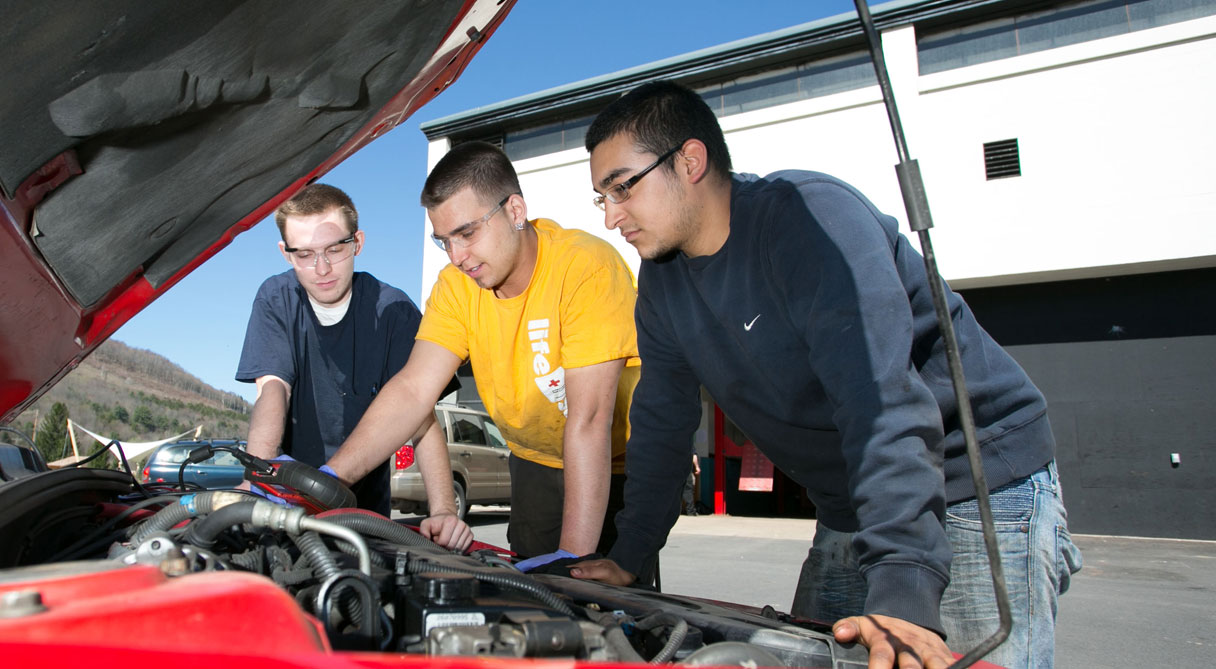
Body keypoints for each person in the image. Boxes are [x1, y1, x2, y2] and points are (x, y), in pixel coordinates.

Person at [570, 82, 1081, 669]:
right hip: (849, 505)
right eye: (600, 198)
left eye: (622, 187)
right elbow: (662, 420)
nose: (611, 216)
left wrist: (905, 591)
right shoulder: (662, 284)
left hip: (973, 482)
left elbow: (881, 401)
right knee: (799, 658)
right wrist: (630, 552)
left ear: (689, 161)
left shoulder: (811, 222)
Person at [322, 141, 641, 571]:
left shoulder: (585, 268)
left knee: (604, 598)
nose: (457, 257)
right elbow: (414, 388)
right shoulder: (456, 286)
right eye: (444, 241)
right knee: (530, 593)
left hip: (616, 459)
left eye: (467, 233)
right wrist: (328, 479)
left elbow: (589, 421)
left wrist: (573, 564)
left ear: (514, 211)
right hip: (534, 458)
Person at [236, 183, 471, 549]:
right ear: (285, 253)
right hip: (284, 504)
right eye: (305, 254)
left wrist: (443, 509)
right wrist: (259, 472)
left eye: (335, 249)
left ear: (357, 242)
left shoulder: (393, 312)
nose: (322, 268)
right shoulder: (275, 298)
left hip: (362, 518)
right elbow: (273, 388)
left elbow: (420, 418)